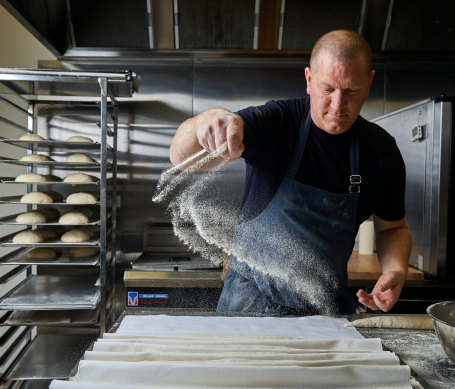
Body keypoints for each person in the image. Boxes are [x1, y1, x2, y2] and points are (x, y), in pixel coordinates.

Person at [170, 29, 411, 315]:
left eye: (350, 91)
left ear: (369, 82)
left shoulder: (380, 151)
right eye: (327, 89)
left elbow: (393, 227)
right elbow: (182, 158)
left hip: (325, 315)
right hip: (249, 309)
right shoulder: (276, 124)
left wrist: (395, 270)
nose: (337, 105)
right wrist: (205, 121)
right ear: (309, 80)